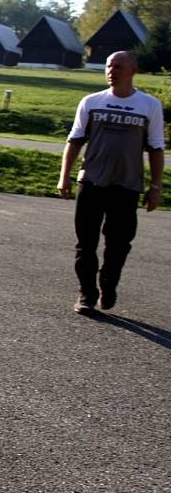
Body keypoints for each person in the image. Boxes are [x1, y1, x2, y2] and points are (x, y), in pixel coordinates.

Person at [58, 51, 165, 314]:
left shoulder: (149, 105)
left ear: (133, 70)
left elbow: (156, 148)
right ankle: (86, 294)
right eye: (108, 66)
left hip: (126, 187)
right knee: (85, 243)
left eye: (118, 66)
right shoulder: (91, 102)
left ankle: (108, 282)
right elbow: (74, 142)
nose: (111, 71)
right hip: (92, 182)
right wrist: (64, 177)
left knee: (118, 244)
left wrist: (155, 187)